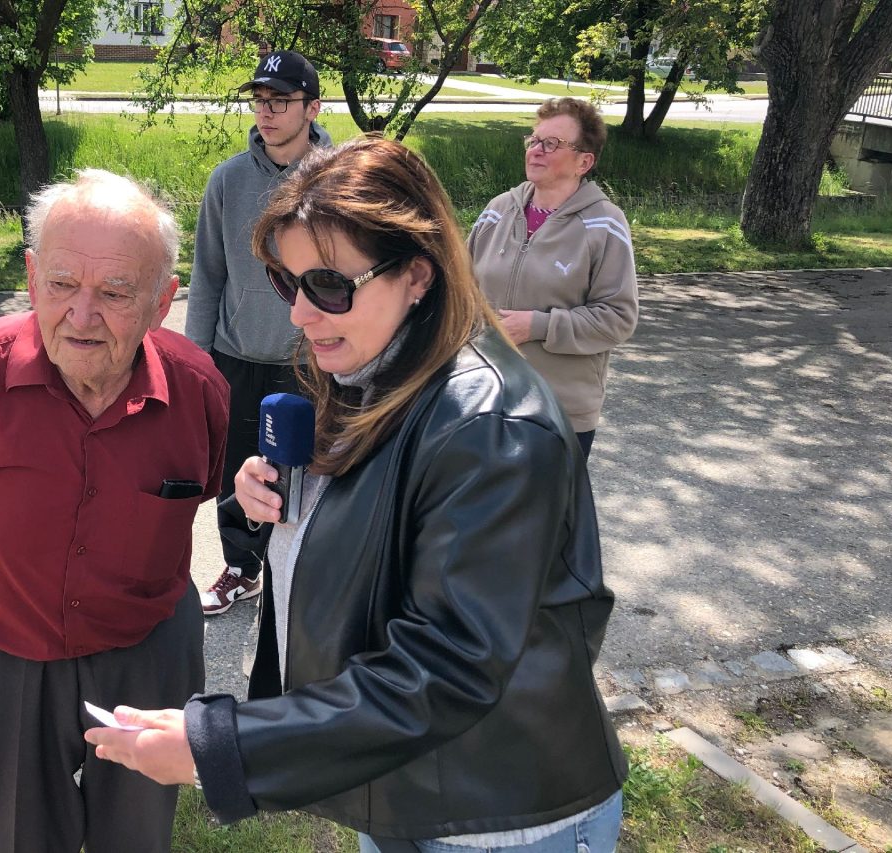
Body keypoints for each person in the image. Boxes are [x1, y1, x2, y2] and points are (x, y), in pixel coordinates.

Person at [85, 137, 628, 852]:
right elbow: (375, 550)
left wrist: (223, 745)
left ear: (417, 275)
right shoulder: (373, 374)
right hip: (407, 784)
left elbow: (447, 667)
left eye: (328, 285)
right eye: (287, 283)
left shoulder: (489, 427)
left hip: (498, 816)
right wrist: (268, 502)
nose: (300, 314)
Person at [0, 169, 229, 853]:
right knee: (8, 837)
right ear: (32, 276)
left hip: (145, 652)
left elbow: (204, 486)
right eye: (63, 283)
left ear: (162, 301)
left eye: (115, 292)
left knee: (135, 838)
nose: (82, 314)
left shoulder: (199, 390)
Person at [186, 49, 332, 616]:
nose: (266, 112)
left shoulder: (336, 178)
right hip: (237, 355)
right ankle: (242, 569)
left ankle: (300, 573)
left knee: (309, 473)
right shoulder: (228, 180)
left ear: (312, 107)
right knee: (237, 471)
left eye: (280, 101)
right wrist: (197, 359)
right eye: (259, 100)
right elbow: (208, 275)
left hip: (311, 359)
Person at [468, 97, 639, 459]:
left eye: (551, 144)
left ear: (583, 162)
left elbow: (618, 318)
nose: (536, 150)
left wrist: (539, 326)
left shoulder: (604, 225)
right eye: (533, 140)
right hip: (485, 399)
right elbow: (460, 288)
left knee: (545, 500)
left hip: (558, 411)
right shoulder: (498, 210)